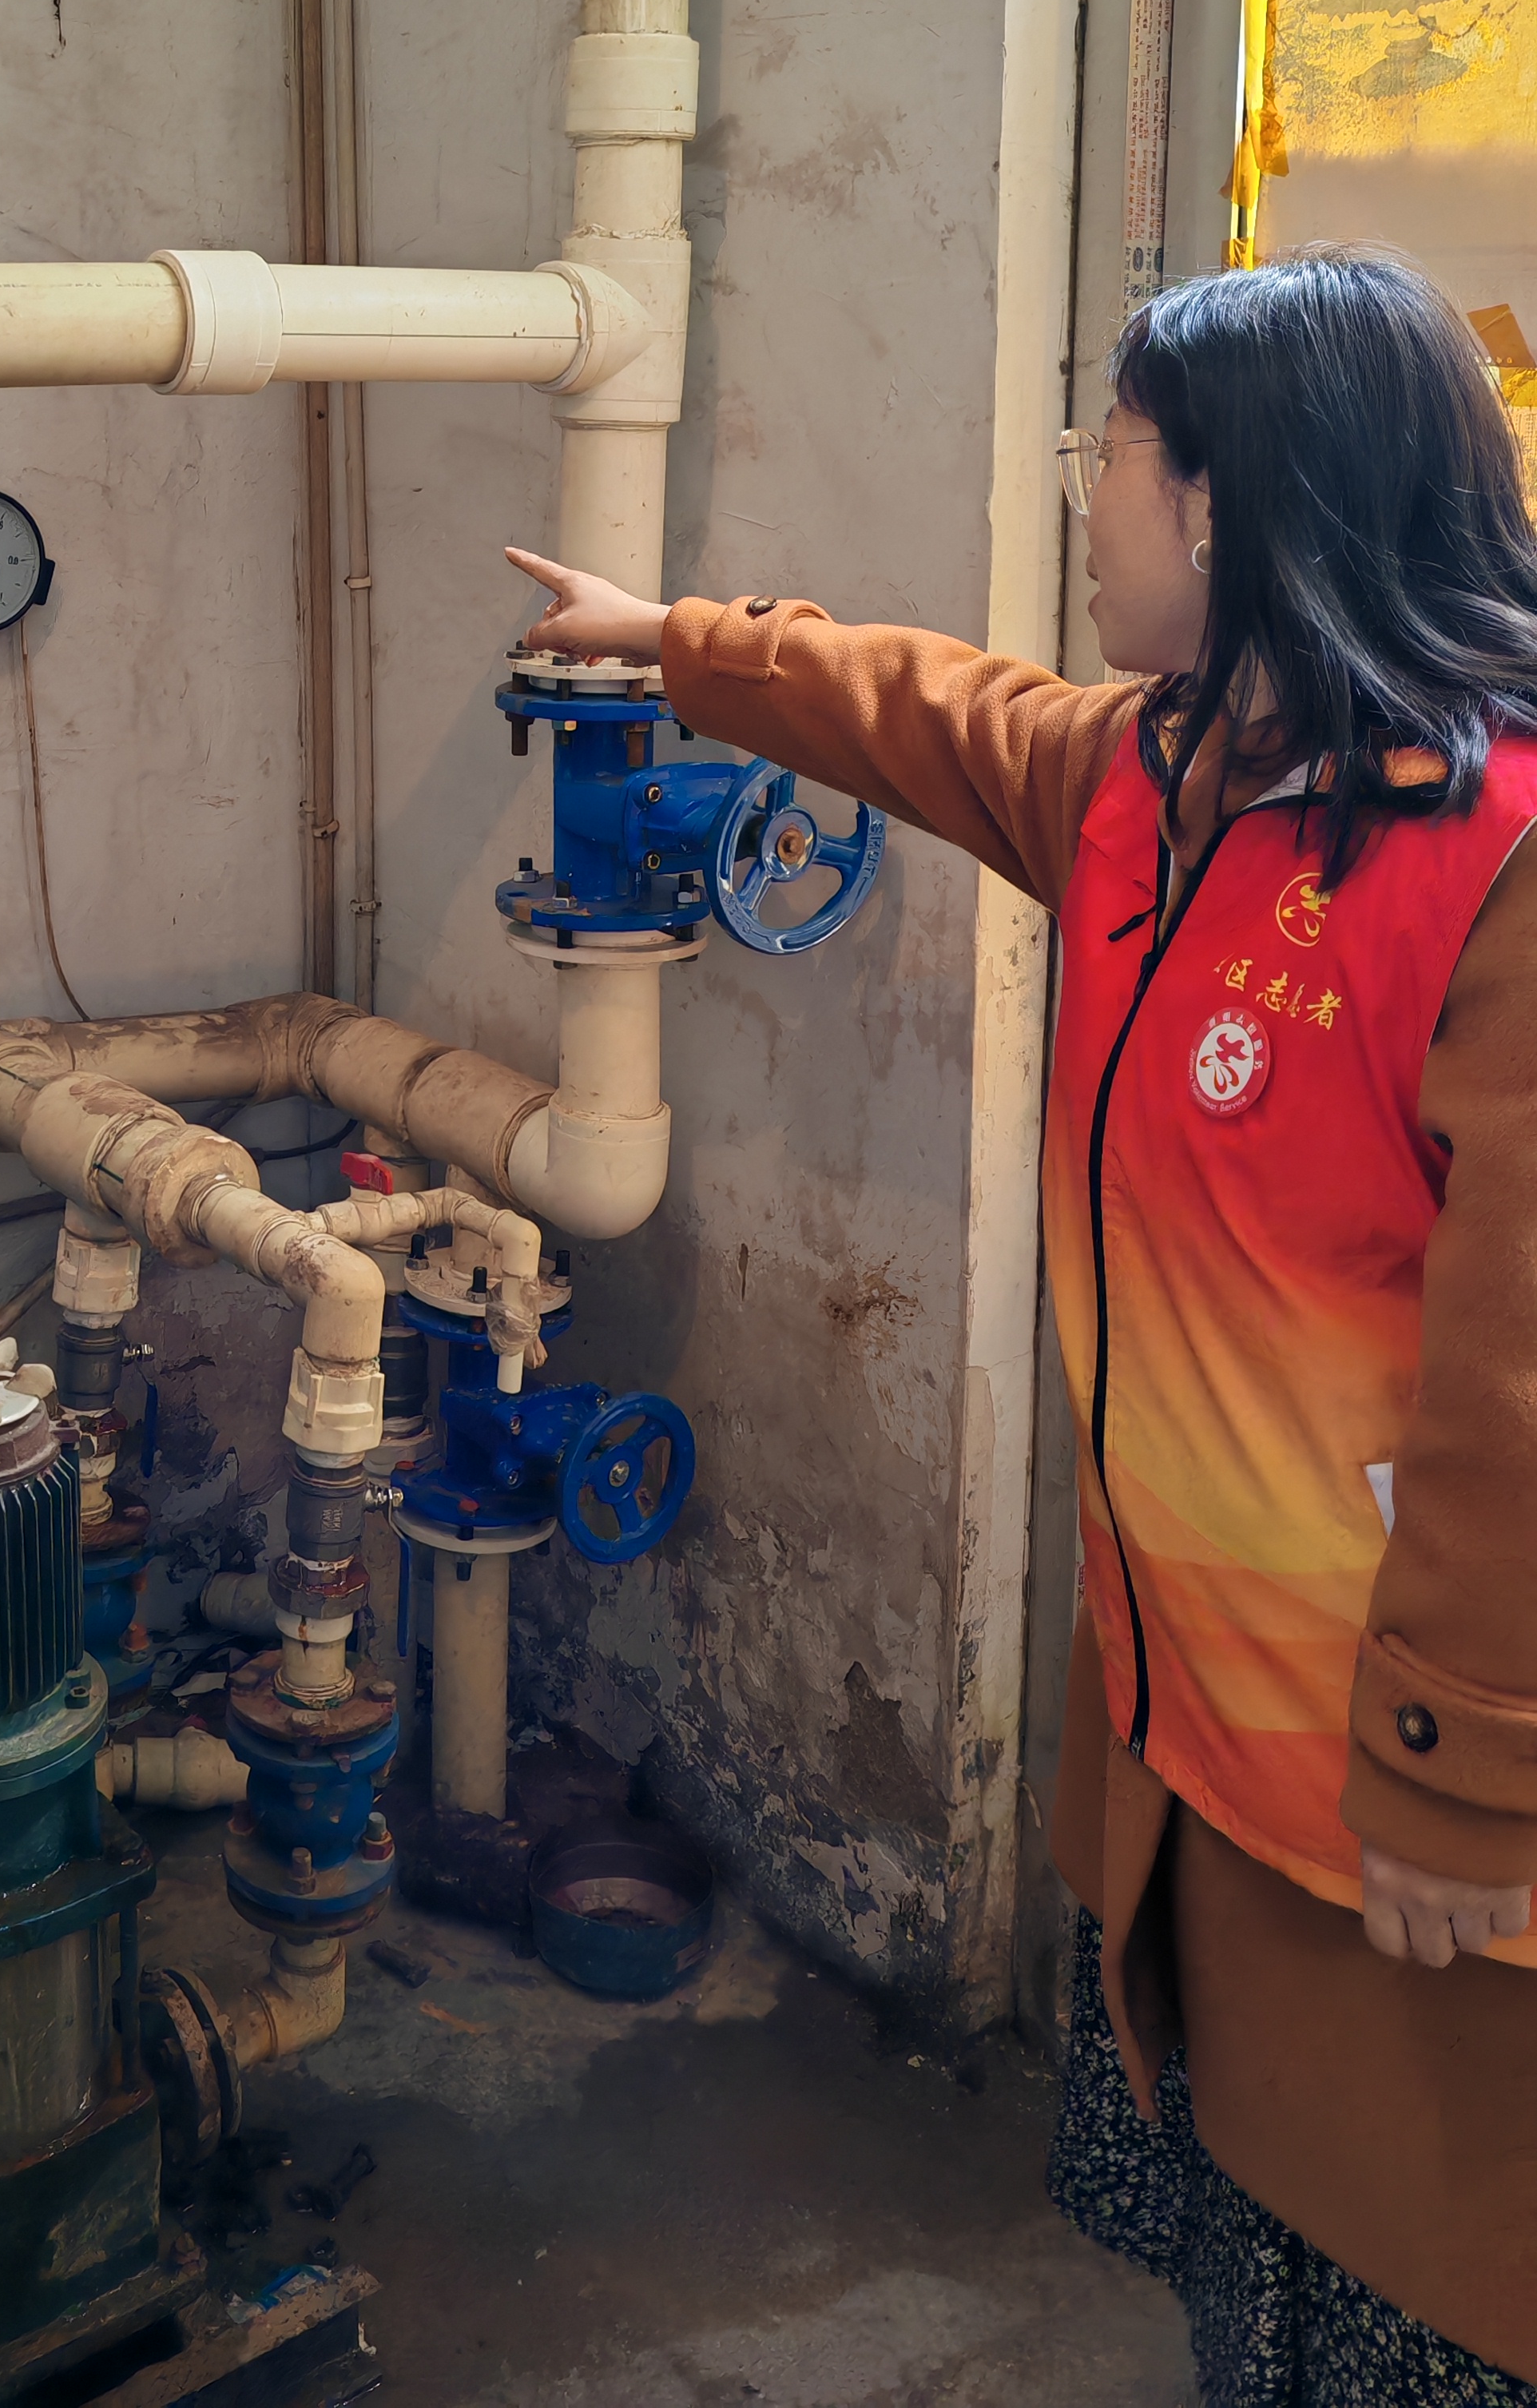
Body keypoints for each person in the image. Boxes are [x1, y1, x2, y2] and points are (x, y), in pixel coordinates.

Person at [510, 247, 1537, 2403]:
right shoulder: (1157, 776)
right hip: (1200, 1730)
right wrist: (676, 644)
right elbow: (931, 710)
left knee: (1425, 2290)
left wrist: (1466, 1768)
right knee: (1248, 2264)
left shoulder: (1498, 862)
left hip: (1419, 1811)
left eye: (1111, 453)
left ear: (1230, 505)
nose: (1087, 496)